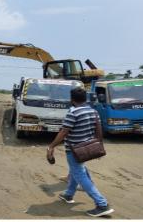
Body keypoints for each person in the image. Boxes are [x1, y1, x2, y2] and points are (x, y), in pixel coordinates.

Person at [47, 87, 114, 217]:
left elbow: (64, 132)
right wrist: (99, 146)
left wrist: (52, 146)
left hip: (74, 150)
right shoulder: (93, 111)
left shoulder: (73, 112)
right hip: (87, 149)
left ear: (72, 99)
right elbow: (98, 130)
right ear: (85, 98)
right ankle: (68, 195)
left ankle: (102, 204)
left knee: (80, 175)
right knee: (76, 170)